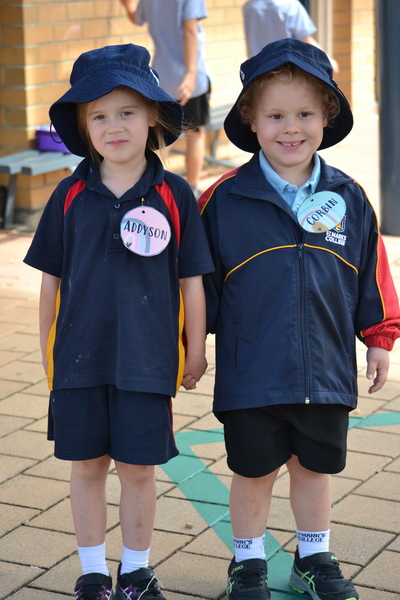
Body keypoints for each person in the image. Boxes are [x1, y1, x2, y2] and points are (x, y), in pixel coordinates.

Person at [199, 38, 400, 600]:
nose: (292, 128)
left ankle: (313, 556)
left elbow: (373, 275)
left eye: (306, 114)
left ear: (327, 116)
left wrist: (380, 338)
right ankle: (248, 564)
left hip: (327, 370)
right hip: (252, 373)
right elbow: (196, 288)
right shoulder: (223, 201)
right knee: (254, 472)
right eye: (276, 115)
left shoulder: (350, 196)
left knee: (314, 470)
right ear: (251, 121)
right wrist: (187, 346)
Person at [23, 43, 214, 600]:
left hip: (148, 363)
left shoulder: (176, 194)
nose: (114, 126)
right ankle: (90, 573)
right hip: (78, 361)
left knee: (137, 470)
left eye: (126, 112)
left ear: (153, 115)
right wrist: (47, 353)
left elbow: (192, 278)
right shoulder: (69, 195)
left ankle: (134, 570)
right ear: (83, 126)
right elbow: (49, 284)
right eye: (99, 116)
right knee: (86, 467)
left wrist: (195, 349)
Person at [120, 0, 211, 199]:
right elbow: (190, 30)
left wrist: (127, 5)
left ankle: (149, 187)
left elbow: (137, 18)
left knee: (162, 137)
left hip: (161, 78)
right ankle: (193, 189)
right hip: (188, 81)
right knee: (194, 134)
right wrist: (191, 73)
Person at [243, 0, 339, 74]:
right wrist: (328, 61)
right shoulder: (290, 6)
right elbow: (306, 40)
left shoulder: (249, 7)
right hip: (288, 76)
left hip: (258, 75)